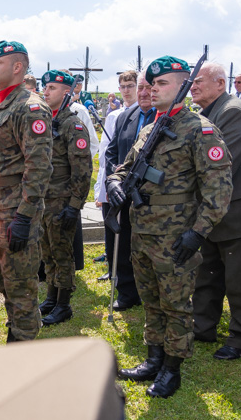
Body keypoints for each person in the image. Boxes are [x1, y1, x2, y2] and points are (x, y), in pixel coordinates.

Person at [106, 56, 233, 398]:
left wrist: (198, 232)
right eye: (150, 84)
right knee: (150, 300)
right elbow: (124, 168)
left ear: (184, 86)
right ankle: (153, 358)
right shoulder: (150, 129)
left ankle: (172, 369)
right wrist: (116, 184)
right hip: (143, 231)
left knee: (176, 304)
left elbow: (218, 190)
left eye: (161, 84)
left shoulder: (200, 130)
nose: (152, 89)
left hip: (176, 236)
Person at [190, 62, 241, 360]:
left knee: (240, 280)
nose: (193, 87)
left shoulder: (233, 111)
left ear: (220, 84)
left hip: (239, 215)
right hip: (213, 213)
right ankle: (203, 326)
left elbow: (217, 166)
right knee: (206, 274)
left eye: (199, 82)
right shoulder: (207, 113)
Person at [0, 41, 52, 342]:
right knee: (5, 284)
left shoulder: (30, 107)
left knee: (21, 290)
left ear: (18, 67)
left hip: (13, 214)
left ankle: (24, 357)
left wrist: (25, 217)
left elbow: (39, 168)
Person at [38, 70, 93, 325]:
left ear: (66, 92)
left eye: (51, 88)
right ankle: (51, 296)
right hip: (44, 201)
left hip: (61, 201)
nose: (46, 92)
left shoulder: (73, 124)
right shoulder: (47, 120)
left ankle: (64, 304)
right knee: (47, 253)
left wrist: (74, 206)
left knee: (63, 255)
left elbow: (82, 170)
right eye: (45, 87)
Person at [104, 76, 155, 310]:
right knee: (123, 244)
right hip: (124, 192)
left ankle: (152, 293)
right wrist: (113, 178)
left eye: (148, 88)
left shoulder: (163, 118)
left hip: (152, 197)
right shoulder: (127, 116)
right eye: (141, 88)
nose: (143, 93)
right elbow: (111, 151)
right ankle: (127, 292)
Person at [96, 71, 138, 283]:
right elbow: (105, 151)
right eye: (123, 86)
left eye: (130, 85)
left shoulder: (144, 114)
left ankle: (127, 272)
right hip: (113, 177)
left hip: (133, 180)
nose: (126, 90)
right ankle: (112, 267)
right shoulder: (115, 115)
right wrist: (103, 183)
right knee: (110, 224)